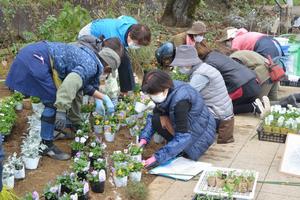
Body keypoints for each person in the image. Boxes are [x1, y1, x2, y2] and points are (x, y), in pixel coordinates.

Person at [5, 37, 123, 160]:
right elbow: (71, 83)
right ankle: (47, 146)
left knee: (53, 97)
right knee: (52, 100)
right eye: (108, 72)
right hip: (35, 59)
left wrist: (103, 98)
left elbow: (81, 84)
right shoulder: (91, 65)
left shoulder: (90, 57)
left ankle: (53, 134)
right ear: (107, 65)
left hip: (34, 53)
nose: (106, 74)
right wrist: (61, 110)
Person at [155, 41, 263, 115]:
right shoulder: (213, 55)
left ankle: (252, 107)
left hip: (243, 87)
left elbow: (194, 90)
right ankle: (254, 104)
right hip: (252, 81)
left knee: (220, 108)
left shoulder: (207, 65)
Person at [138, 69, 216, 168]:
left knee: (176, 137)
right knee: (156, 119)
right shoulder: (167, 89)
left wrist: (156, 158)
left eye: (154, 93)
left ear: (164, 88)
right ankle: (176, 148)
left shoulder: (181, 102)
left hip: (199, 138)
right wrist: (143, 139)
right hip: (190, 128)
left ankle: (184, 151)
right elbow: (154, 116)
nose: (153, 97)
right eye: (151, 94)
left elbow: (183, 136)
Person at [170, 45, 234, 144]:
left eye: (180, 65)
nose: (179, 68)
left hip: (218, 115)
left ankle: (186, 141)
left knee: (182, 112)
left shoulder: (199, 75)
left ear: (188, 63)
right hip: (223, 111)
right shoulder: (204, 67)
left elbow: (187, 95)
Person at [78, 15, 151, 94]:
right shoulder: (112, 36)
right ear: (129, 35)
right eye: (136, 43)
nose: (137, 46)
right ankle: (92, 89)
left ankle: (126, 91)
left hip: (111, 36)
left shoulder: (135, 27)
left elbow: (121, 17)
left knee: (125, 60)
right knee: (100, 64)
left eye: (139, 45)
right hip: (89, 36)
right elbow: (105, 59)